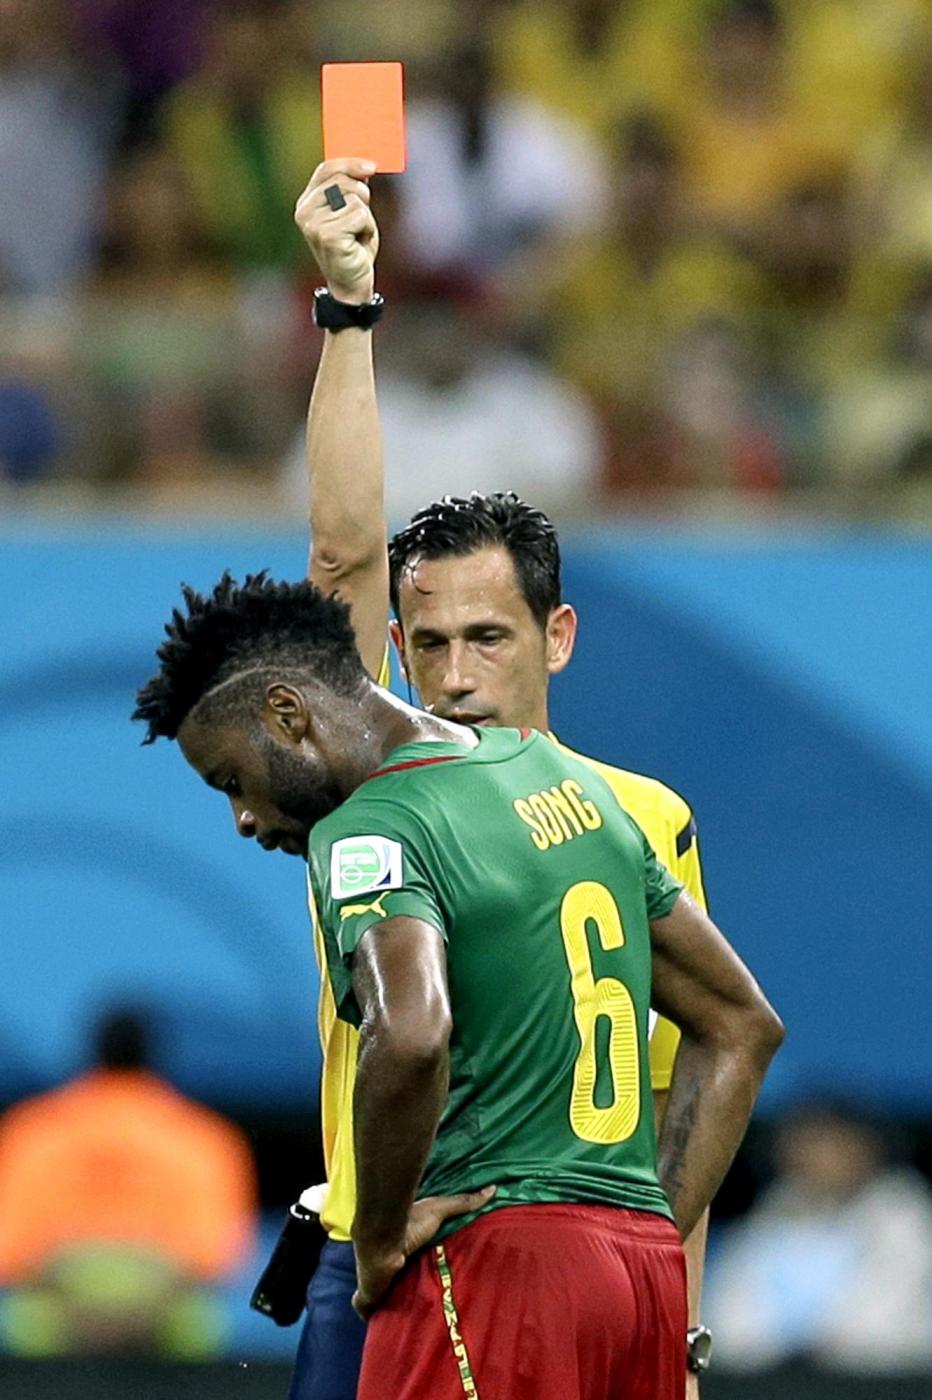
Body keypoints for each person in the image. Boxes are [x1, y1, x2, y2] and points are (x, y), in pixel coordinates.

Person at [281, 158, 725, 1400]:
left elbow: (670, 1092)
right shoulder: (368, 782)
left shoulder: (645, 814)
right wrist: (348, 312)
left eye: (488, 636)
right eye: (426, 643)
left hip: (560, 1267)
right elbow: (340, 552)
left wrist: (676, 1319)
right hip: (377, 1258)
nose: (454, 671)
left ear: (557, 636)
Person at [133, 571, 783, 1399]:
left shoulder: (368, 828)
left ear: (288, 713)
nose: (244, 819)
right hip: (639, 1289)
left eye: (230, 780)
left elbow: (409, 1035)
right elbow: (742, 1024)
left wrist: (377, 1237)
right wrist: (656, 1225)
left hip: (489, 1272)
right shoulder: (568, 784)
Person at [0, 1008, 256, 1357]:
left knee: (26, 1319)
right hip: (149, 1309)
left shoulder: (32, 1130)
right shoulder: (203, 1137)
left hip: (71, 1308)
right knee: (199, 1322)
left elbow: (11, 1250)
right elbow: (217, 1255)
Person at [705, 1098, 932, 1373]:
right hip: (773, 1381)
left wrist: (823, 1352)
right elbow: (728, 1314)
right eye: (803, 1146)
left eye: (828, 1145)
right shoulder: (772, 1212)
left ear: (862, 1148)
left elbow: (886, 1317)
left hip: (883, 1379)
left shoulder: (902, 1212)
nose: (812, 1158)